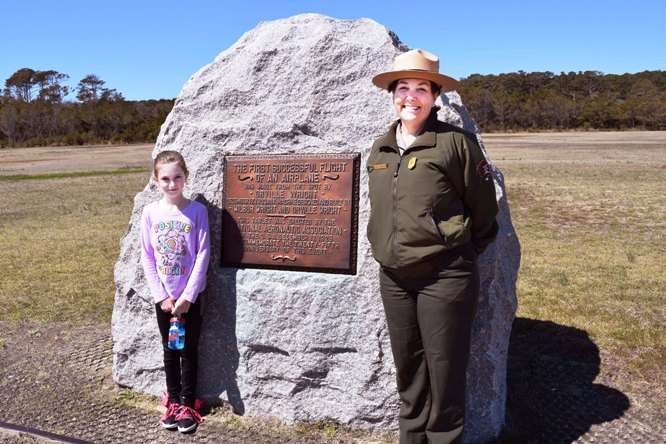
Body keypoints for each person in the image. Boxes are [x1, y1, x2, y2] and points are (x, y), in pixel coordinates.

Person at [367, 49, 499, 444]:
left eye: (421, 88)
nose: (411, 97)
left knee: (445, 372)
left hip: (445, 277)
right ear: (392, 95)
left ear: (435, 96)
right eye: (403, 88)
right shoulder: (381, 147)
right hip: (395, 278)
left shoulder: (456, 144)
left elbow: (484, 212)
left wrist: (456, 251)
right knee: (409, 371)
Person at [140, 150, 210, 433]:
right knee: (170, 349)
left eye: (177, 177)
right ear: (156, 180)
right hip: (165, 300)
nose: (172, 184)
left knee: (188, 350)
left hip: (189, 299)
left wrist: (188, 297)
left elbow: (203, 253)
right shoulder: (150, 213)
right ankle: (172, 401)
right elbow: (147, 255)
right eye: (165, 179)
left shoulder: (197, 211)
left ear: (186, 177)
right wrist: (162, 297)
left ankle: (187, 404)